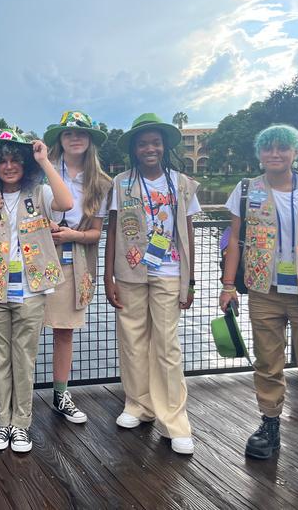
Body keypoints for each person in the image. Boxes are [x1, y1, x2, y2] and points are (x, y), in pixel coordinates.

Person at [219, 124, 298, 475]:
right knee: (267, 363)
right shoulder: (245, 191)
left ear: (295, 153)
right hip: (263, 291)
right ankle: (270, 424)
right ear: (259, 153)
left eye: (282, 148)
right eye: (268, 148)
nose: (275, 154)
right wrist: (228, 285)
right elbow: (234, 240)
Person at [0, 129, 73, 453]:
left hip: (31, 290)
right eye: (3, 161)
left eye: (16, 160)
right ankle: (3, 422)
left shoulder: (39, 194)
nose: (9, 166)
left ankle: (22, 424)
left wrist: (44, 160)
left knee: (24, 359)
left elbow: (66, 202)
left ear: (25, 164)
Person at [103, 113, 200, 455]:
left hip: (169, 271)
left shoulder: (182, 184)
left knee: (167, 346)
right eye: (143, 143)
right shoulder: (120, 183)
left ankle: (175, 420)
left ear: (164, 146)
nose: (150, 149)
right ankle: (138, 404)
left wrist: (190, 280)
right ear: (134, 148)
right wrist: (108, 276)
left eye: (155, 143)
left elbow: (188, 231)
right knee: (132, 340)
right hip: (130, 270)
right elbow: (112, 230)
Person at [42, 111, 112, 424]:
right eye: (69, 133)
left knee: (64, 331)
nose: (75, 138)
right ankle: (14, 398)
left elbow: (96, 232)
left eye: (81, 133)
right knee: (23, 330)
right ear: (60, 138)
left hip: (73, 259)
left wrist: (73, 235)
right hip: (34, 256)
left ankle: (60, 394)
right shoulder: (42, 170)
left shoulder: (100, 182)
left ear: (90, 140)